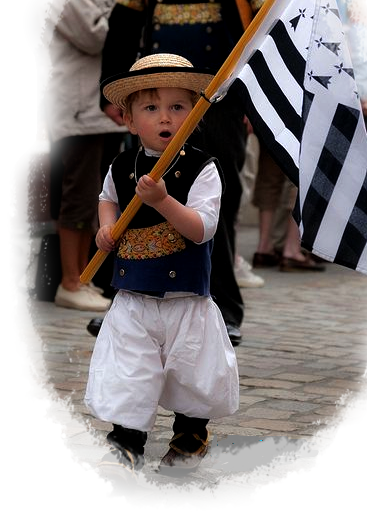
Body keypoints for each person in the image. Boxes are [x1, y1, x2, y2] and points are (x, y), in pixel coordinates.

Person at [97, 0, 281, 344]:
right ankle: (125, 297)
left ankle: (222, 305)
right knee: (138, 194)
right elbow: (123, 22)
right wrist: (110, 90)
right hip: (153, 96)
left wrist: (259, 100)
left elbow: (269, 31)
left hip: (221, 99)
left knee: (217, 200)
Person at [84, 53, 239, 474]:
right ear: (131, 120)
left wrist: (163, 200)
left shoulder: (203, 169)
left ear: (194, 113)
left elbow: (201, 228)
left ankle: (190, 432)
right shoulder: (121, 165)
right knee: (129, 369)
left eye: (177, 107)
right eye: (151, 108)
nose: (165, 117)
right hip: (133, 295)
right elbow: (107, 199)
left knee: (191, 371)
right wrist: (107, 227)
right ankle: (126, 439)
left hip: (185, 297)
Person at [45, 0, 129, 311]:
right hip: (77, 111)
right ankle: (69, 281)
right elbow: (98, 38)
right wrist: (126, 4)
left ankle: (83, 277)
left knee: (93, 197)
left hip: (96, 113)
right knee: (77, 196)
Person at [251, 142, 325, 271]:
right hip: (302, 124)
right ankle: (292, 250)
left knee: (269, 173)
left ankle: (263, 249)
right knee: (301, 174)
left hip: (271, 122)